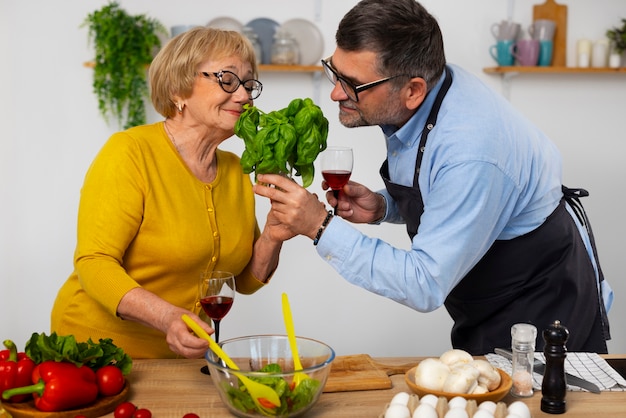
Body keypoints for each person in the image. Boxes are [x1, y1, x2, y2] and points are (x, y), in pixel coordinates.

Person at [253, 0, 613, 355]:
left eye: (352, 84)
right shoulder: (433, 86)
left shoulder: (471, 151)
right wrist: (383, 206)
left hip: (541, 308)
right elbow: (440, 185)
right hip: (486, 297)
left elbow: (423, 283)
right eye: (334, 71)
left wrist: (320, 225)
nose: (335, 92)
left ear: (412, 91)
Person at [51, 27, 285, 359]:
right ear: (179, 89)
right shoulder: (130, 152)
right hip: (95, 351)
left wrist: (275, 233)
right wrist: (165, 316)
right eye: (228, 80)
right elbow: (94, 261)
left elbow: (242, 282)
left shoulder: (235, 168)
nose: (244, 95)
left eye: (248, 84)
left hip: (179, 357)